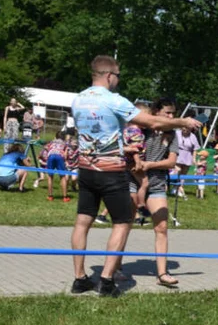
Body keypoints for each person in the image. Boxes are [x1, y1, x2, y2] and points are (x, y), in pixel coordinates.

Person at [69, 56, 200, 297]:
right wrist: (182, 121)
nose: (118, 80)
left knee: (82, 221)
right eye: (117, 76)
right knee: (123, 222)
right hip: (110, 172)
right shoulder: (113, 100)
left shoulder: (78, 99)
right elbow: (149, 120)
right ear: (109, 75)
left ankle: (79, 278)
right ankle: (107, 281)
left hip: (85, 169)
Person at [136, 98, 186, 287]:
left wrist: (151, 165)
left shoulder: (172, 134)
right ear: (156, 112)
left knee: (162, 227)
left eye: (173, 113)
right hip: (132, 182)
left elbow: (172, 162)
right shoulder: (142, 128)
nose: (171, 117)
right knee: (123, 226)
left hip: (156, 184)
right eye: (168, 113)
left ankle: (162, 273)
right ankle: (115, 269)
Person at [40, 131, 73, 202]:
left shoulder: (51, 142)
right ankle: (65, 197)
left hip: (51, 156)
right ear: (63, 137)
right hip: (59, 156)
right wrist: (66, 160)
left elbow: (45, 147)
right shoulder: (65, 143)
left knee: (50, 176)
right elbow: (65, 155)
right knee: (62, 177)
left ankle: (50, 196)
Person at [174, 126, 199, 198]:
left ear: (190, 129)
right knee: (177, 171)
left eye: (186, 128)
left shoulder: (193, 136)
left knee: (183, 175)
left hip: (188, 155)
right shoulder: (177, 133)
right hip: (177, 154)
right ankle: (176, 187)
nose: (184, 129)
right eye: (183, 127)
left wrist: (194, 158)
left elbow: (195, 149)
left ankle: (179, 189)